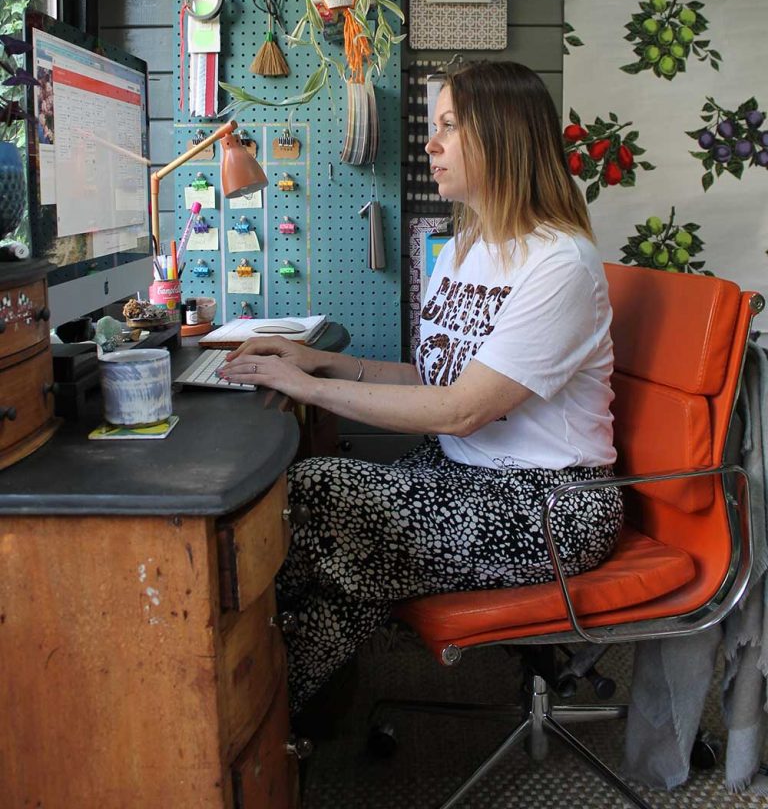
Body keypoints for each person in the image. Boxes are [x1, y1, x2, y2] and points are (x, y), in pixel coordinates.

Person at [217, 60, 623, 716]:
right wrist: (316, 363)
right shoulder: (463, 248)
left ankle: (245, 709)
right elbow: (434, 379)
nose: (431, 144)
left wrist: (305, 388)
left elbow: (461, 409)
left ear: (504, 136)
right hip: (464, 472)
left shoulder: (559, 263)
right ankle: (271, 720)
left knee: (313, 492)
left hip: (553, 506)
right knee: (345, 563)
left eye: (449, 127)